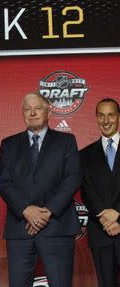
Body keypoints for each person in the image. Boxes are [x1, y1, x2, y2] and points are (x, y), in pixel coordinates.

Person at [0, 92, 81, 286]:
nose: (32, 113)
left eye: (38, 108)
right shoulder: (8, 144)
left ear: (49, 112)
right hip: (20, 229)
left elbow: (72, 177)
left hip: (57, 227)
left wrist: (47, 212)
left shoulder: (66, 141)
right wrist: (26, 209)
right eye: (27, 109)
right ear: (23, 113)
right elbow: (4, 183)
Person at [80, 98, 120, 287]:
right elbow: (86, 190)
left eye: (110, 115)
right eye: (101, 116)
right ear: (96, 118)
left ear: (118, 117)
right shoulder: (84, 154)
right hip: (100, 231)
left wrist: (117, 212)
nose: (106, 121)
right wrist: (105, 216)